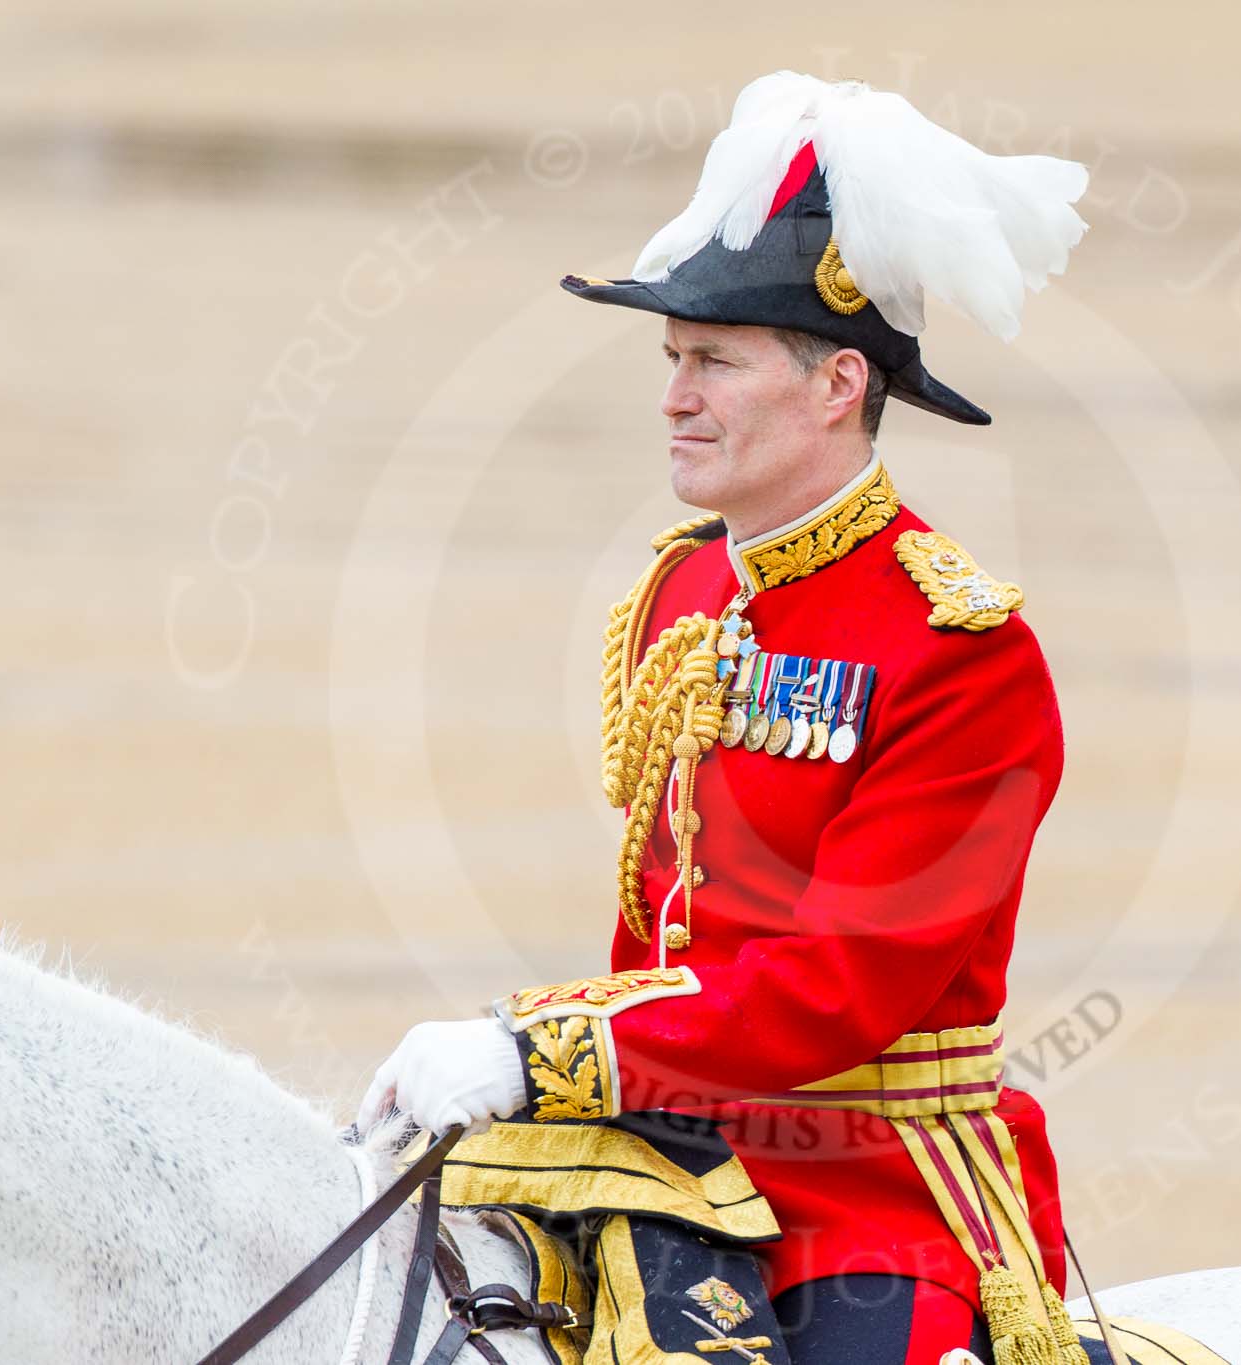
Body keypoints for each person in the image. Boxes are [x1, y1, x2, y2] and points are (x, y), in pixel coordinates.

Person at [360, 69, 1093, 1364]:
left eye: (713, 360)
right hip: (666, 1139)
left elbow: (833, 992)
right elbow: (658, 925)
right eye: (671, 358)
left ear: (835, 385)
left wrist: (542, 1050)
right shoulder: (684, 584)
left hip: (866, 1195)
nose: (674, 394)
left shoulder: (965, 654)